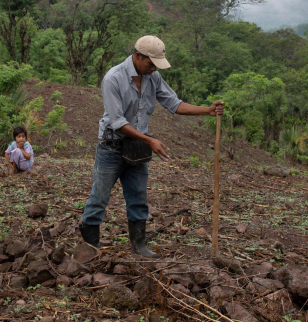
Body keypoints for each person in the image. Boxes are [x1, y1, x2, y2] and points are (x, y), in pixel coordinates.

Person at [80, 35, 224, 257]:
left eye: (157, 65)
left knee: (138, 197)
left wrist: (207, 110)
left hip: (137, 148)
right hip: (111, 146)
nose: (154, 68)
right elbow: (118, 123)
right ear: (138, 56)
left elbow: (174, 105)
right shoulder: (113, 78)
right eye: (151, 63)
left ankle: (139, 246)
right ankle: (90, 248)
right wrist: (149, 140)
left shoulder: (153, 77)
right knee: (99, 197)